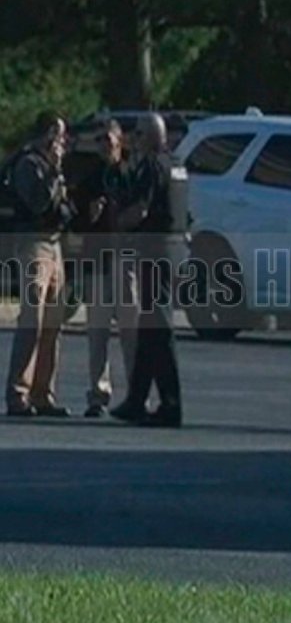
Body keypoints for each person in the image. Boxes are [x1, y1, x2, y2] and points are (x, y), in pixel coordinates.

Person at [109, 113, 184, 427]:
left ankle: (171, 404)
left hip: (155, 250)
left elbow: (141, 209)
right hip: (170, 248)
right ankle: (137, 399)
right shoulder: (175, 165)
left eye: (139, 134)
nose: (134, 139)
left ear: (154, 136)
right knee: (149, 326)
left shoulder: (152, 166)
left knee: (158, 328)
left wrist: (117, 225)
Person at [4, 111, 74, 418]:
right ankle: (18, 393)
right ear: (47, 135)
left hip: (55, 243)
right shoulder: (29, 164)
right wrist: (55, 172)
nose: (63, 142)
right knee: (32, 319)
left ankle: (43, 393)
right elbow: (38, 203)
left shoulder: (50, 166)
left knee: (53, 323)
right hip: (33, 243)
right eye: (59, 135)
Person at [70, 119, 138, 418]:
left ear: (120, 141)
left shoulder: (131, 175)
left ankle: (136, 394)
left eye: (108, 140)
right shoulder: (90, 179)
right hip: (97, 263)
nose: (104, 145)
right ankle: (98, 395)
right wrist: (89, 214)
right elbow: (75, 223)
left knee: (130, 333)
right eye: (99, 140)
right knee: (97, 334)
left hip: (125, 261)